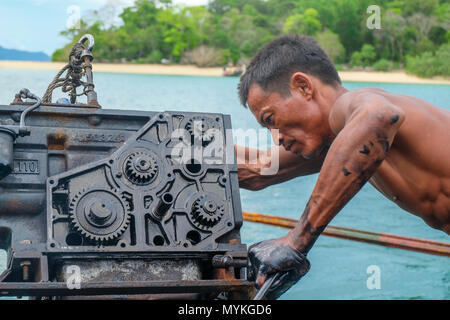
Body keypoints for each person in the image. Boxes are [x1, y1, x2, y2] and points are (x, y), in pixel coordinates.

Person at [235, 35, 450, 299]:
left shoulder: (355, 104)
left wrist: (296, 241)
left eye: (271, 119)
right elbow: (260, 169)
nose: (276, 136)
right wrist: (184, 147)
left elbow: (380, 116)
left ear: (303, 86)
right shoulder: (344, 141)